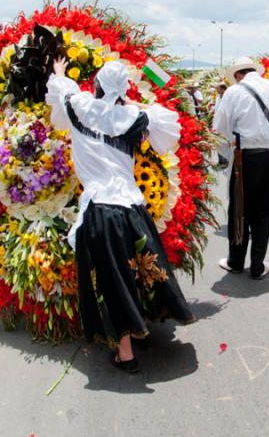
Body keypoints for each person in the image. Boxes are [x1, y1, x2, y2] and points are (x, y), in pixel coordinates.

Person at [46, 58, 195, 373]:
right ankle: (140, 328)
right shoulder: (135, 116)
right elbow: (165, 127)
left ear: (96, 85)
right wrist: (128, 99)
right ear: (124, 89)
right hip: (131, 208)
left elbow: (64, 93)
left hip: (100, 209)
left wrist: (59, 73)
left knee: (112, 279)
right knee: (139, 271)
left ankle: (125, 354)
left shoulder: (80, 106)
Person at [213, 56, 269, 279]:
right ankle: (257, 265)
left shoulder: (234, 92)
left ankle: (235, 261)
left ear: (238, 75)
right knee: (265, 211)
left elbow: (221, 129)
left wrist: (226, 153)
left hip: (244, 156)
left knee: (240, 210)